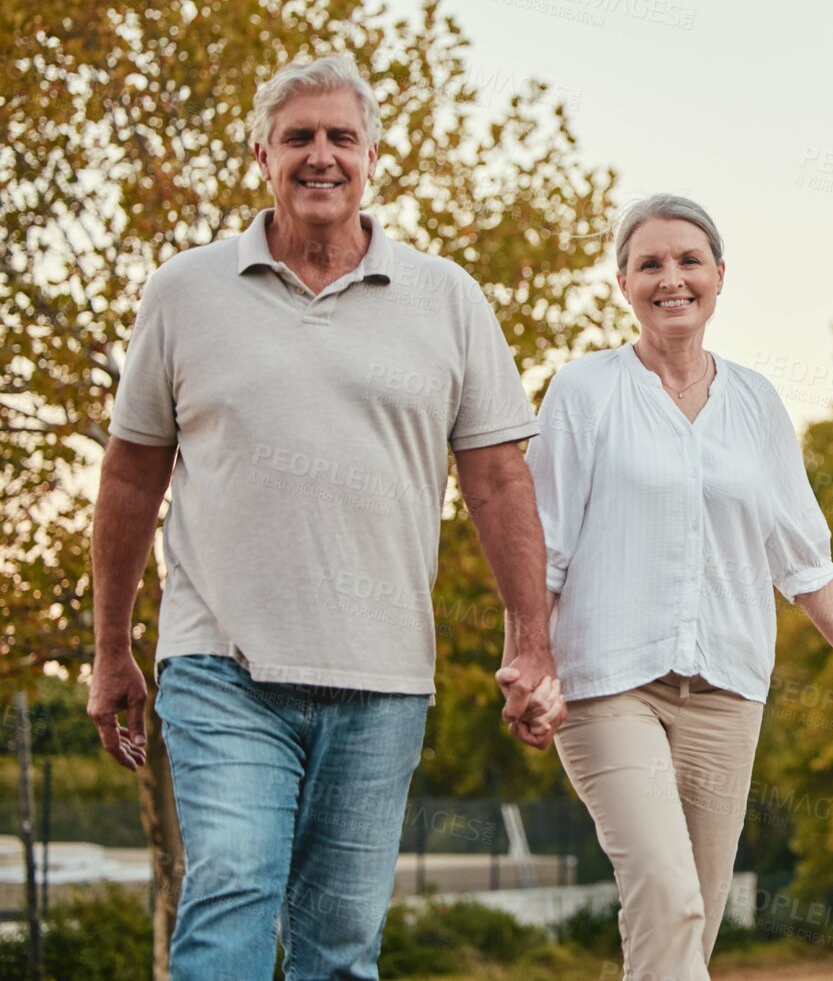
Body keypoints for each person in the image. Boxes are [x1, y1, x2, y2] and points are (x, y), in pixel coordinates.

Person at [86, 53, 564, 978]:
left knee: (339, 949)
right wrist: (111, 648)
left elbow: (499, 481)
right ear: (261, 153)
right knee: (231, 885)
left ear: (372, 157)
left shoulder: (448, 298)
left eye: (340, 137)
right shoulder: (185, 291)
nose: (320, 156)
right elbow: (132, 477)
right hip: (221, 665)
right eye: (298, 137)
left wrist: (531, 641)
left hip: (382, 676)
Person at [527, 194, 833, 981]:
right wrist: (532, 661)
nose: (671, 278)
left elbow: (799, 556)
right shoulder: (583, 391)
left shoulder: (756, 402)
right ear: (623, 283)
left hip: (727, 690)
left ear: (719, 275)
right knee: (667, 898)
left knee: (688, 918)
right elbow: (546, 550)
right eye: (650, 264)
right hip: (607, 685)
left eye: (688, 260)